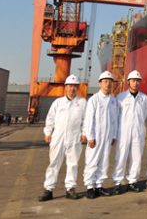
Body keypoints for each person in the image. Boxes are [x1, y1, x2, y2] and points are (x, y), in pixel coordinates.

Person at [38, 74, 87, 202]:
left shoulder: (82, 103)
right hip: (58, 137)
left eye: (75, 86)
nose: (72, 89)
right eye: (70, 86)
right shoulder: (58, 103)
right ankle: (48, 189)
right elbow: (50, 118)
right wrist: (48, 132)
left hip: (74, 137)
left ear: (78, 88)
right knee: (54, 163)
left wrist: (84, 133)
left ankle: (70, 189)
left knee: (73, 163)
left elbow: (85, 120)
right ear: (65, 87)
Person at [83, 71, 120, 198]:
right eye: (105, 82)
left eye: (110, 82)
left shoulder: (113, 101)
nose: (108, 84)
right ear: (100, 83)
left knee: (104, 161)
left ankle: (99, 185)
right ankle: (89, 186)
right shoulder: (94, 99)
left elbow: (115, 120)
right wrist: (90, 137)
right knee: (92, 161)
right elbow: (89, 119)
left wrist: (114, 135)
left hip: (108, 136)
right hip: (96, 136)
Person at [111, 70, 147, 194]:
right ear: (128, 82)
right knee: (120, 157)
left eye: (138, 81)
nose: (136, 83)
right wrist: (114, 134)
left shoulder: (144, 98)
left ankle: (132, 181)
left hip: (138, 131)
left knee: (136, 157)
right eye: (133, 81)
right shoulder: (120, 97)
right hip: (123, 132)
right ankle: (117, 182)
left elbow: (146, 116)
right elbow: (115, 116)